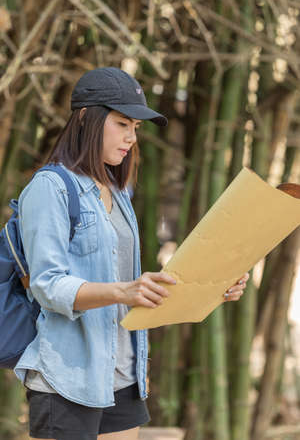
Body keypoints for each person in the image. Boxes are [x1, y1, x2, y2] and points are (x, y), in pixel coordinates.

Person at [14, 67, 249, 440]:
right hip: (67, 381)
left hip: (122, 377)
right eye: (122, 124)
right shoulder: (50, 188)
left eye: (136, 128)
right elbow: (48, 286)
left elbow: (137, 287)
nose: (131, 138)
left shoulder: (119, 192)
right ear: (86, 118)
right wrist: (122, 291)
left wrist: (214, 285)